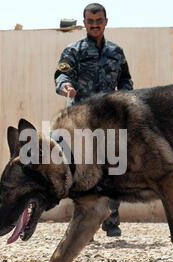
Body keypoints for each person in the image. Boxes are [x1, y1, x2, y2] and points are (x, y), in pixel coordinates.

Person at [54, 3, 133, 237]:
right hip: (80, 121)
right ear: (85, 23)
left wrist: (124, 98)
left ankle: (112, 222)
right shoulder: (73, 51)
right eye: (90, 21)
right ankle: (84, 224)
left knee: (114, 170)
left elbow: (126, 80)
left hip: (109, 120)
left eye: (99, 21)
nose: (95, 25)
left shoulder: (116, 52)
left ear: (106, 22)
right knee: (82, 173)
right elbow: (62, 74)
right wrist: (65, 86)